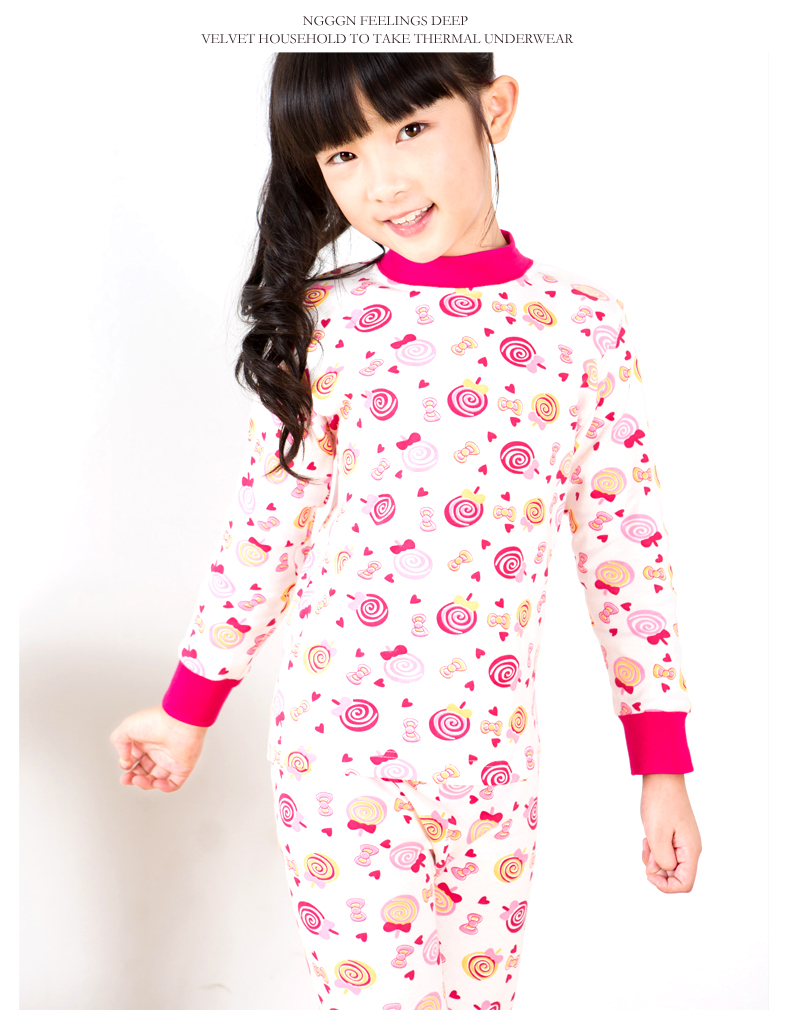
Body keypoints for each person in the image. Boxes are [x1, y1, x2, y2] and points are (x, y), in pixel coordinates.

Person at [109, 52, 702, 1011]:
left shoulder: (584, 328)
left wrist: (662, 766)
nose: (381, 182)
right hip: (340, 753)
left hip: (497, 764)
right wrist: (186, 713)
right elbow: (266, 530)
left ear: (494, 109)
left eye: (411, 130)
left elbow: (626, 555)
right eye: (342, 154)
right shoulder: (328, 325)